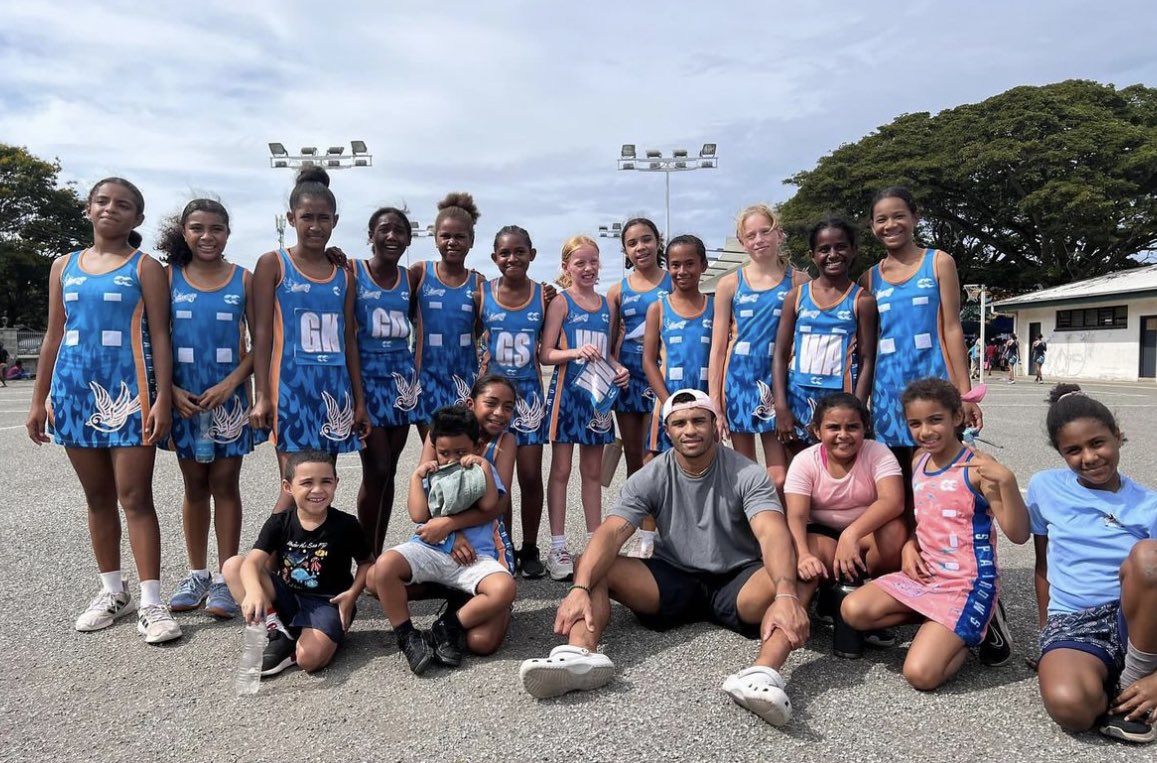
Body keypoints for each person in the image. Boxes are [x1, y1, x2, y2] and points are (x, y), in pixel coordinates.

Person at [518, 389, 809, 727]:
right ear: (667, 431)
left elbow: (771, 533)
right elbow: (612, 532)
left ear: (715, 426)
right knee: (593, 563)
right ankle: (579, 656)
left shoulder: (748, 474)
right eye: (680, 423)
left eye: (699, 420)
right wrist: (579, 587)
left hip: (738, 581)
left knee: (801, 572)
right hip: (673, 578)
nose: (690, 430)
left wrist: (786, 593)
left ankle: (763, 674)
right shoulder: (651, 475)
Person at [25, 177, 182, 644]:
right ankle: (114, 592)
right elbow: (54, 334)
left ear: (137, 217)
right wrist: (39, 399)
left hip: (131, 395)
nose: (111, 209)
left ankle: (152, 603)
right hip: (74, 394)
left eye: (124, 205)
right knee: (97, 499)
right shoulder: (63, 266)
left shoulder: (146, 267)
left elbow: (161, 336)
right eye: (103, 201)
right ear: (88, 209)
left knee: (135, 496)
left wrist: (163, 398)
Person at [841, 378, 1030, 689]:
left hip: (965, 582)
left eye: (935, 420)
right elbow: (927, 517)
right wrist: (910, 545)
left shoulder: (978, 468)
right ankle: (948, 625)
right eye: (915, 423)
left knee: (921, 675)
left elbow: (1019, 533)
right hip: (928, 575)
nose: (925, 431)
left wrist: (1008, 482)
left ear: (957, 417)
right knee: (854, 610)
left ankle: (976, 624)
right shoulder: (918, 460)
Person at [1028, 384, 1157, 743]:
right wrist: (1046, 638)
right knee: (1071, 707)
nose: (1089, 457)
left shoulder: (1149, 504)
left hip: (1134, 617)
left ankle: (1135, 682)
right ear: (1060, 453)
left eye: (1098, 443)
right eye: (1073, 450)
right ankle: (1107, 681)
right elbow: (1043, 565)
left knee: (1148, 557)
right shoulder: (1045, 488)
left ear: (1117, 437)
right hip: (1074, 619)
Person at [158, 199, 264, 618]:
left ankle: (225, 577)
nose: (207, 236)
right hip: (183, 400)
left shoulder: (244, 279)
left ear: (227, 233)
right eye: (198, 228)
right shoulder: (168, 278)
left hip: (228, 399)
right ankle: (196, 573)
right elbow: (154, 340)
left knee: (225, 483)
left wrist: (232, 384)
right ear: (184, 231)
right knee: (194, 486)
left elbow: (262, 344)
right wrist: (168, 389)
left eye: (216, 228)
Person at [250, 168, 369, 512]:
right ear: (291, 218)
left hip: (334, 392)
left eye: (323, 218)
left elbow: (349, 340)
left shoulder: (343, 274)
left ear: (335, 221)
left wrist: (359, 402)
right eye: (307, 218)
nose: (315, 226)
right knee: (295, 488)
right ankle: (266, 560)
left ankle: (310, 563)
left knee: (322, 488)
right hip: (291, 391)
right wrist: (262, 395)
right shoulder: (273, 263)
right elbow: (261, 334)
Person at [372, 406, 516, 675]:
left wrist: (483, 466)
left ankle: (447, 627)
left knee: (504, 588)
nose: (451, 459)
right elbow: (418, 514)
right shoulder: (431, 473)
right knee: (383, 567)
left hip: (475, 557)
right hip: (432, 550)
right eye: (444, 452)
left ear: (477, 445)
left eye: (461, 452)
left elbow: (488, 505)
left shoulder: (480, 469)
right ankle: (407, 636)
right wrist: (417, 476)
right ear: (435, 447)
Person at [863, 187, 980, 493]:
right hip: (888, 394)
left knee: (936, 479)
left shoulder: (939, 262)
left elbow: (952, 328)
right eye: (881, 219)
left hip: (934, 386)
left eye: (899, 216)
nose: (891, 225)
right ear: (872, 226)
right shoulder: (869, 278)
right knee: (895, 484)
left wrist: (965, 395)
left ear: (915, 217)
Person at [222, 450, 371, 676]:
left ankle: (298, 644)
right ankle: (277, 630)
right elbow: (252, 562)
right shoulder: (279, 522)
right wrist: (253, 592)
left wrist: (352, 594)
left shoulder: (346, 525)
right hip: (287, 596)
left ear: (336, 483)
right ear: (288, 487)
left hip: (327, 602)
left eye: (326, 482)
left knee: (308, 660)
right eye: (307, 482)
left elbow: (367, 563)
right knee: (233, 565)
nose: (318, 490)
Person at [783, 392, 906, 655]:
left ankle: (875, 606)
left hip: (864, 536)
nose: (843, 434)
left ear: (865, 428)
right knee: (803, 554)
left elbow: (893, 501)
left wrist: (851, 534)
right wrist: (803, 555)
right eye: (833, 427)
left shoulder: (877, 453)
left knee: (895, 531)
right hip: (824, 535)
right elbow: (795, 515)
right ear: (817, 430)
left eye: (852, 427)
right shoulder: (805, 461)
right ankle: (824, 597)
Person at [540, 236, 629, 580]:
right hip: (567, 396)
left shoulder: (607, 304)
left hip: (597, 398)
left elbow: (608, 353)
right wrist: (574, 353)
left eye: (593, 262)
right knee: (561, 470)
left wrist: (619, 370)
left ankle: (595, 541)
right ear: (566, 268)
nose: (588, 268)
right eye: (580, 263)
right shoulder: (562, 303)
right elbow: (546, 353)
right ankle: (558, 545)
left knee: (593, 474)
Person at [708, 204, 807, 493]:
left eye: (765, 231)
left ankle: (780, 529)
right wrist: (716, 398)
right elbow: (718, 347)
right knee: (745, 472)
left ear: (779, 234)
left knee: (779, 476)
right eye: (751, 235)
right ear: (742, 243)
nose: (759, 239)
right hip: (739, 381)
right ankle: (750, 535)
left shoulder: (799, 281)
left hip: (778, 380)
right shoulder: (729, 284)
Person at [481, 225, 548, 577]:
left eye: (519, 251)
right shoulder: (482, 294)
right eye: (505, 253)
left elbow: (552, 344)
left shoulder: (544, 296)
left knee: (530, 474)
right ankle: (501, 543)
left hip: (529, 398)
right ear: (495, 257)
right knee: (497, 477)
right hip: (494, 400)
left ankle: (530, 547)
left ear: (531, 255)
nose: (512, 258)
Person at [773, 218, 877, 443]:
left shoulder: (862, 300)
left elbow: (867, 359)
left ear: (853, 250)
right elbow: (780, 355)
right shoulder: (796, 296)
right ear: (812, 255)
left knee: (839, 472)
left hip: (841, 403)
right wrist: (781, 406)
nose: (833, 254)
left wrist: (858, 407)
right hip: (797, 400)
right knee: (800, 474)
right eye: (824, 249)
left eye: (840, 246)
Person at [353, 206, 420, 554]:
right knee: (376, 468)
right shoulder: (353, 271)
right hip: (367, 381)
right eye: (384, 229)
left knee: (389, 470)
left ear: (408, 239)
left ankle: (375, 554)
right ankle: (364, 556)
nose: (392, 236)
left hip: (401, 383)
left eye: (399, 231)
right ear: (371, 235)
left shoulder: (411, 278)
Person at [411, 193, 483, 442]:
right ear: (436, 239)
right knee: (434, 450)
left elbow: (481, 330)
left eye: (460, 236)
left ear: (471, 240)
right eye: (446, 236)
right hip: (426, 379)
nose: (452, 242)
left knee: (461, 451)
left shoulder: (479, 284)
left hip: (465, 379)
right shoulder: (420, 273)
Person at [607, 218, 671, 476]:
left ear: (658, 243)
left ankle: (663, 513)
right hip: (628, 379)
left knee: (654, 453)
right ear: (625, 251)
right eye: (632, 243)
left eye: (646, 239)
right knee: (634, 459)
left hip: (662, 376)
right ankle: (638, 514)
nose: (640, 247)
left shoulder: (674, 281)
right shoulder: (616, 291)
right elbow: (608, 345)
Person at [642, 234, 713, 458]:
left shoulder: (717, 307)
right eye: (675, 265)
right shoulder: (658, 308)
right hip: (668, 398)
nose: (682, 271)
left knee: (702, 465)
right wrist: (668, 402)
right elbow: (648, 361)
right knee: (657, 464)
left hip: (705, 401)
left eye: (689, 263)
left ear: (703, 265)